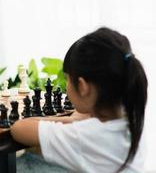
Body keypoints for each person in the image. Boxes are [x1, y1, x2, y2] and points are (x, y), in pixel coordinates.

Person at [11, 27, 148, 173]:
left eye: (68, 79)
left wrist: (73, 121)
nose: (66, 87)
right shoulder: (134, 120)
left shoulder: (84, 135)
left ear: (82, 86)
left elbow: (19, 128)